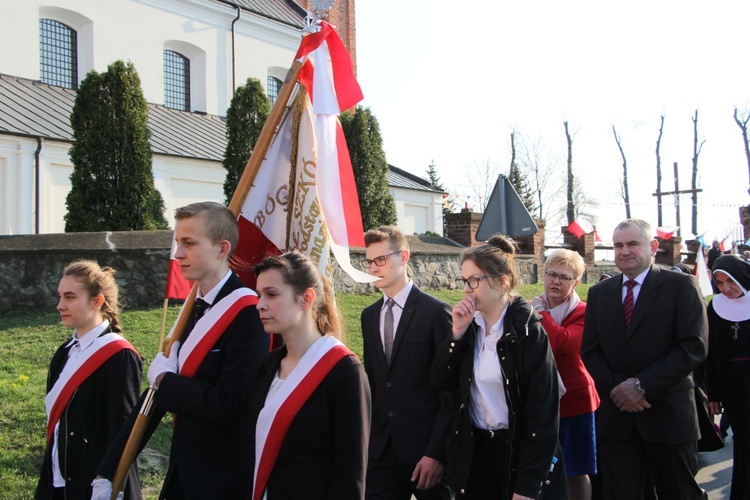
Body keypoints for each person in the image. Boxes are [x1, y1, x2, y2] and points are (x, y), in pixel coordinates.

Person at [94, 201, 269, 499]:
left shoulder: (248, 313)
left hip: (224, 479)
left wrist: (166, 381)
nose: (178, 254)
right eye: (178, 243)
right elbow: (154, 400)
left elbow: (228, 403)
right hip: (183, 471)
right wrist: (108, 471)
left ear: (222, 248)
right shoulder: (192, 309)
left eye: (189, 243)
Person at [431, 234, 567, 499]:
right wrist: (456, 334)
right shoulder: (470, 328)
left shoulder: (527, 332)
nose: (467, 289)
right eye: (464, 280)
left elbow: (543, 415)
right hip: (477, 454)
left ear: (502, 282)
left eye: (474, 280)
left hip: (517, 454)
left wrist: (527, 488)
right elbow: (440, 383)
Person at [581, 219, 708, 499]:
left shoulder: (680, 285)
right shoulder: (600, 293)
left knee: (680, 493)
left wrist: (640, 386)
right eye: (618, 245)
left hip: (668, 414)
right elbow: (590, 351)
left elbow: (693, 346)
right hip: (618, 418)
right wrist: (619, 388)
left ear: (652, 247)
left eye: (632, 244)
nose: (624, 251)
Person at [248, 251, 371, 499]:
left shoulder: (344, 372)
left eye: (271, 294)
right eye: (259, 294)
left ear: (306, 298)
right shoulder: (269, 365)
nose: (260, 304)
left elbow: (350, 475)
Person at [36, 260, 142, 500]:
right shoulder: (64, 352)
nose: (60, 305)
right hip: (59, 480)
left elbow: (123, 430)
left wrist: (106, 479)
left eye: (70, 297)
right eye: (60, 296)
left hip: (96, 484)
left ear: (97, 301)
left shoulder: (120, 356)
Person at [360, 226, 453, 499]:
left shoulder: (436, 313)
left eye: (381, 259)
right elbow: (375, 382)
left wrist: (435, 453)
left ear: (403, 258)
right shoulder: (368, 316)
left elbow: (449, 391)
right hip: (380, 452)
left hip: (425, 452)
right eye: (369, 261)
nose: (374, 268)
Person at [531, 249, 600, 500]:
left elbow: (560, 341)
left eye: (564, 277)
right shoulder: (532, 307)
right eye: (551, 274)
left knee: (576, 469)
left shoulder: (584, 311)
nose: (555, 281)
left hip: (576, 402)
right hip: (542, 401)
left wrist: (540, 314)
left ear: (576, 283)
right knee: (544, 467)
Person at [705, 255, 750, 499]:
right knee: (742, 441)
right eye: (720, 283)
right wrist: (714, 393)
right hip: (731, 383)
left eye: (730, 281)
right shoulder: (716, 306)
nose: (726, 289)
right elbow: (711, 353)